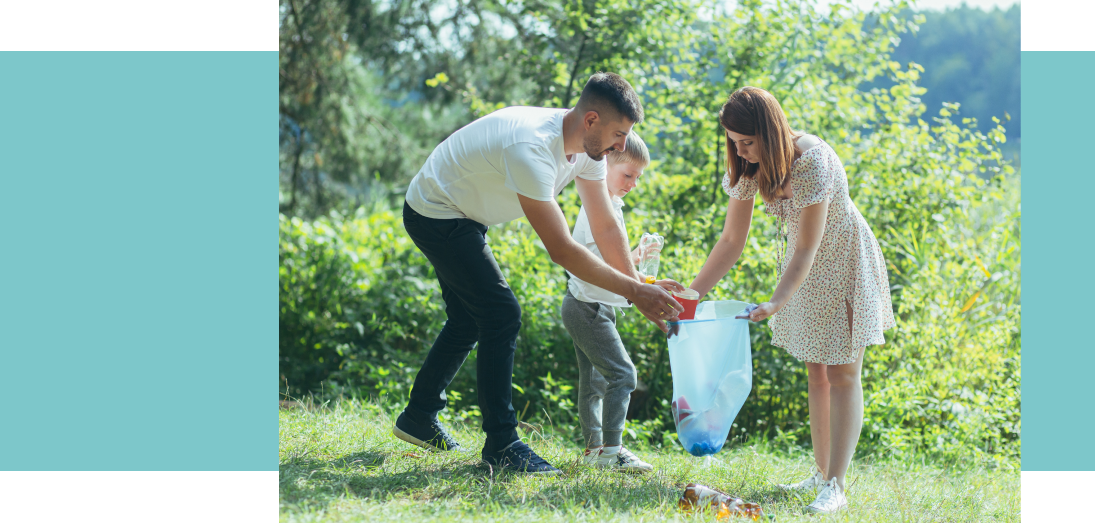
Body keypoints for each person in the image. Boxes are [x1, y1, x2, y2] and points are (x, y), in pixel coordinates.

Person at [394, 72, 685, 475]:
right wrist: (636, 294)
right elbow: (562, 249)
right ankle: (502, 444)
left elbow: (605, 225)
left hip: (465, 215)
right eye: (619, 134)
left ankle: (418, 416)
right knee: (500, 314)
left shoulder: (589, 150)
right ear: (591, 121)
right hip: (436, 210)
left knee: (467, 319)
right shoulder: (531, 148)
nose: (622, 146)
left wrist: (638, 287)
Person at [687, 86, 895, 513]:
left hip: (843, 262)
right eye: (733, 143)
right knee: (815, 373)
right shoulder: (748, 166)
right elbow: (731, 240)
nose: (741, 152)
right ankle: (821, 474)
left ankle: (836, 485)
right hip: (805, 275)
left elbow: (806, 248)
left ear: (769, 130)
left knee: (843, 375)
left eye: (747, 142)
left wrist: (777, 301)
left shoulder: (813, 161)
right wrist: (692, 295)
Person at [561, 132, 680, 473]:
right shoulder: (598, 206)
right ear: (604, 165)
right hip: (587, 308)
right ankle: (612, 450)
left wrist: (639, 258)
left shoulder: (612, 204)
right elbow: (602, 263)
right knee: (623, 375)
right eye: (628, 175)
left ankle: (593, 449)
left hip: (592, 305)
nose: (633, 184)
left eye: (638, 178)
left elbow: (609, 258)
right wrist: (643, 284)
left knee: (595, 382)